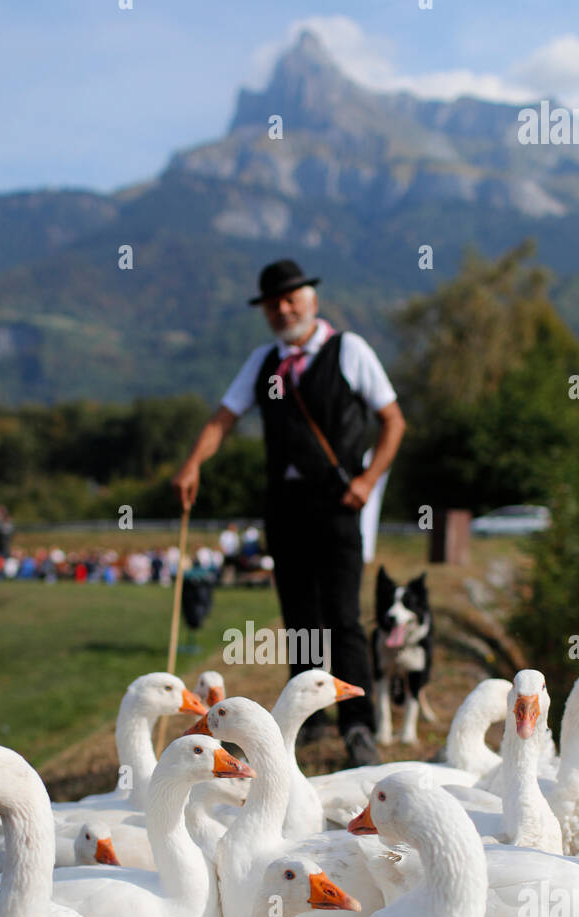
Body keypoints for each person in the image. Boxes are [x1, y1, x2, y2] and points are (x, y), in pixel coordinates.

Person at [172, 258, 405, 765]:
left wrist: (368, 480)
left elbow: (393, 420)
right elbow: (223, 418)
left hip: (340, 501)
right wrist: (192, 463)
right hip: (285, 505)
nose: (283, 308)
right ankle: (308, 724)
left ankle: (358, 727)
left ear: (311, 299)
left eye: (290, 298)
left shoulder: (350, 350)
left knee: (342, 616)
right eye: (273, 302)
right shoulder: (262, 363)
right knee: (300, 617)